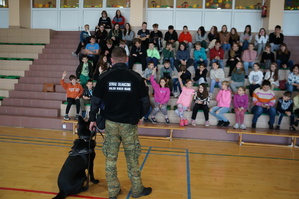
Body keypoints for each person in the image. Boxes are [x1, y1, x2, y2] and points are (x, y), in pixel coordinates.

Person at [89, 47, 152, 199]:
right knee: (132, 158)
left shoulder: (104, 77)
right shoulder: (136, 77)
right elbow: (145, 102)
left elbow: (95, 102)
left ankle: (113, 191)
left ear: (111, 60)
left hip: (110, 124)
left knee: (110, 159)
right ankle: (137, 190)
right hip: (129, 125)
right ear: (126, 59)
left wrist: (92, 119)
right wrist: (139, 116)